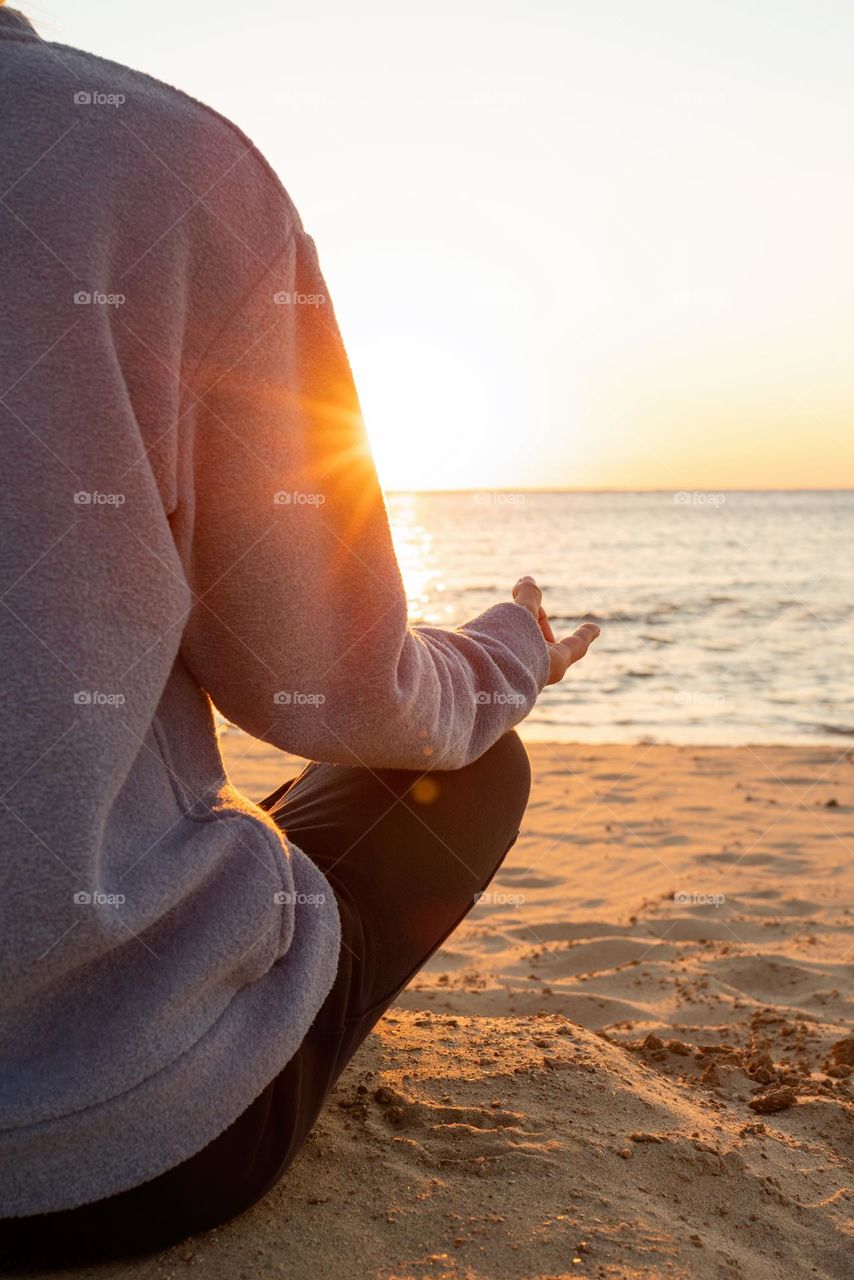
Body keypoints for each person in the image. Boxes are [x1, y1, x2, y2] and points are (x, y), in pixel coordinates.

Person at [0, 3, 599, 1261]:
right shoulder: (151, 158)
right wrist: (507, 652)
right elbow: (331, 689)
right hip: (98, 1151)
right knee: (457, 773)